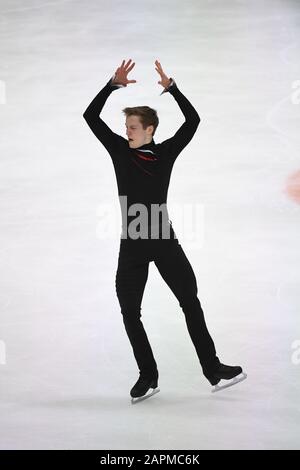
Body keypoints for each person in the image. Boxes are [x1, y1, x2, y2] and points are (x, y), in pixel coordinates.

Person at [83, 59, 246, 402]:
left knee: (190, 301)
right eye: (125, 125)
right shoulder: (118, 151)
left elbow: (193, 121)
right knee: (130, 312)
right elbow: (90, 117)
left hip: (163, 240)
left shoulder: (165, 152)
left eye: (132, 126)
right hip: (131, 245)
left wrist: (173, 89)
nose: (126, 131)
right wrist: (111, 85)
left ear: (150, 130)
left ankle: (213, 369)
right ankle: (148, 375)